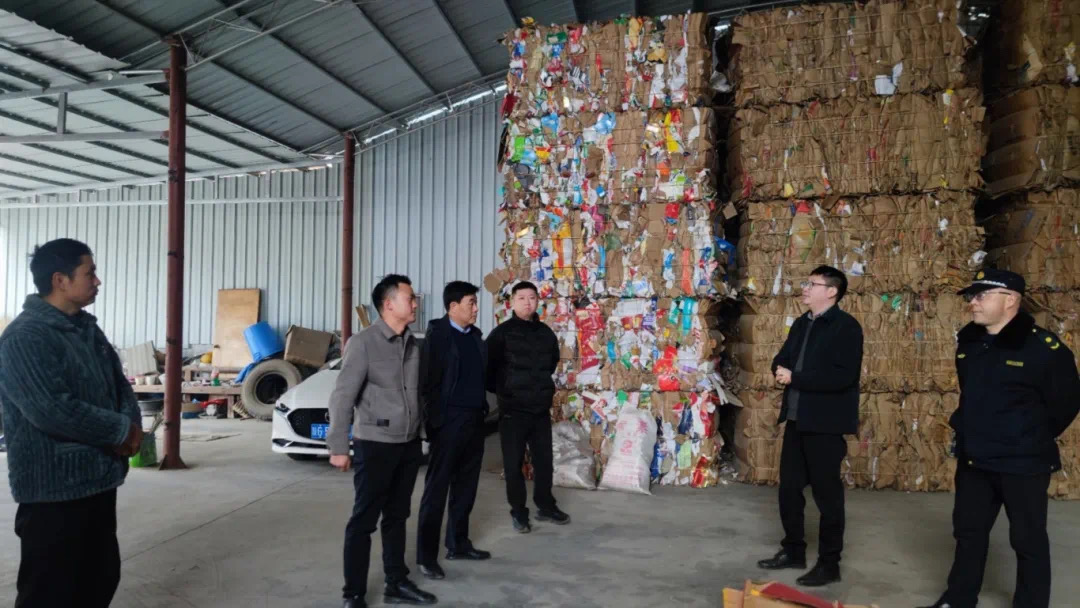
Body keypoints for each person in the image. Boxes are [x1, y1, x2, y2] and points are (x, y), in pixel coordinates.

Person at [920, 269, 1080, 608]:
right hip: (975, 457)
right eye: (972, 296)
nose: (972, 302)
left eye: (981, 296)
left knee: (1027, 539)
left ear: (1010, 300)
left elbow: (1065, 403)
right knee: (968, 532)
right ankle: (958, 599)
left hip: (1023, 462)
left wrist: (1026, 435)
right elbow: (972, 395)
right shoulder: (969, 342)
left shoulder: (1044, 349)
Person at [0, 238, 143, 608]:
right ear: (60, 280)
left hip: (97, 480)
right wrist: (119, 430)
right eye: (89, 273)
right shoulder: (25, 337)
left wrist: (132, 426)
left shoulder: (85, 329)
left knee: (99, 579)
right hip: (53, 491)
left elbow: (119, 385)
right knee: (50, 593)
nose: (97, 281)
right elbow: (50, 409)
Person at [327, 274, 435, 608]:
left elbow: (416, 394)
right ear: (389, 304)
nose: (415, 304)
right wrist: (338, 447)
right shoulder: (363, 343)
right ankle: (354, 594)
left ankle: (396, 582)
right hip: (375, 444)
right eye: (410, 298)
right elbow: (342, 397)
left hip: (408, 444)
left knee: (398, 516)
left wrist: (422, 433)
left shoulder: (412, 343)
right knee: (364, 520)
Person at [757, 265, 863, 587]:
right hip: (796, 419)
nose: (805, 288)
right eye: (806, 282)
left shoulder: (846, 327)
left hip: (825, 424)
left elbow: (843, 377)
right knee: (789, 490)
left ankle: (829, 564)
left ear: (831, 291)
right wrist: (779, 369)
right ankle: (793, 551)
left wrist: (796, 378)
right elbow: (783, 357)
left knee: (827, 497)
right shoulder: (802, 323)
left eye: (812, 284)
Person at [416, 281, 492, 580]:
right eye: (471, 303)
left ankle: (458, 543)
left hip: (474, 422)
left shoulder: (475, 338)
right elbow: (427, 385)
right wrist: (435, 423)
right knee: (436, 491)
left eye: (475, 303)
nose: (476, 309)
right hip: (447, 424)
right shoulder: (437, 338)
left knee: (466, 488)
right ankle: (426, 557)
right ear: (452, 306)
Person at [486, 281, 570, 534]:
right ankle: (519, 512)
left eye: (532, 298)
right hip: (513, 412)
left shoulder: (545, 334)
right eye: (521, 298)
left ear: (537, 302)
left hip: (539, 411)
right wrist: (507, 393)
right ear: (512, 302)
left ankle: (546, 505)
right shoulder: (501, 334)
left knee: (544, 462)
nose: (527, 302)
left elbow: (551, 363)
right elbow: (488, 371)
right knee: (513, 465)